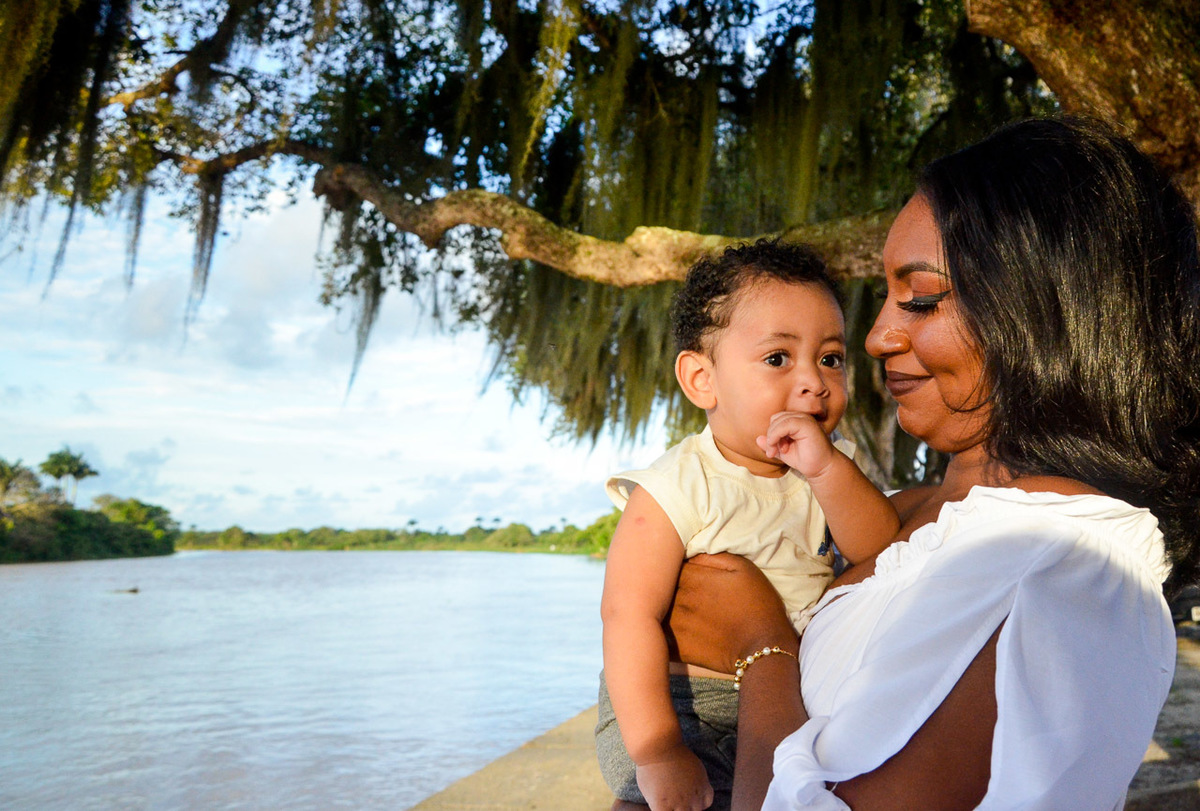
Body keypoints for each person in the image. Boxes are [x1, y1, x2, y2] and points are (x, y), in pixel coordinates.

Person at [659, 115, 1200, 810]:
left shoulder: (1066, 567)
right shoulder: (895, 509)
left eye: (921, 298)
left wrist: (761, 648)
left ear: (1042, 309)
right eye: (886, 300)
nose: (879, 336)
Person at [597, 239, 901, 811]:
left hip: (790, 691)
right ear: (701, 380)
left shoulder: (833, 467)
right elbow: (626, 616)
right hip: (683, 703)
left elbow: (878, 547)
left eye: (830, 358)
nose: (813, 380)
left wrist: (826, 470)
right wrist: (657, 751)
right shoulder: (677, 486)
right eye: (778, 359)